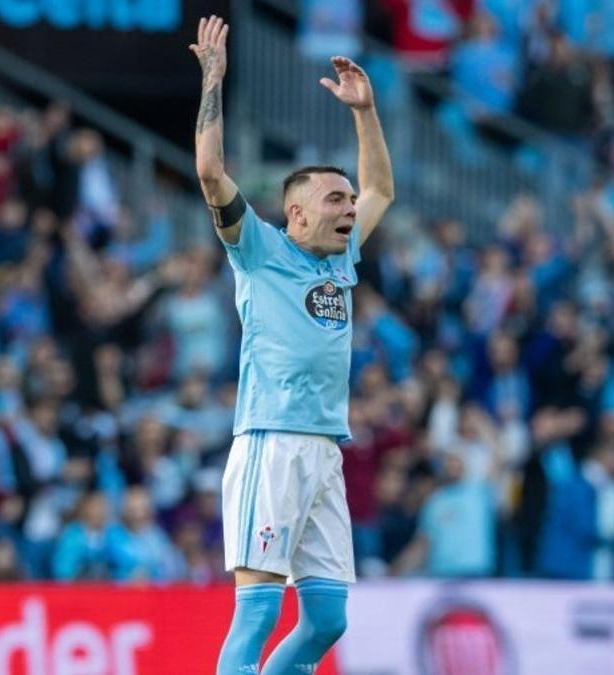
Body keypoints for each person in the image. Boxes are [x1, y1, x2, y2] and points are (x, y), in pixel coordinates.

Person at [190, 15, 394, 674]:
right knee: (256, 612)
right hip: (271, 441)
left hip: (324, 447)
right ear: (297, 213)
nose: (350, 207)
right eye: (336, 199)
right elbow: (209, 171)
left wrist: (364, 112)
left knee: (328, 618)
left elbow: (382, 189)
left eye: (349, 201)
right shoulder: (259, 249)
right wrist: (214, 79)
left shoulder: (342, 259)